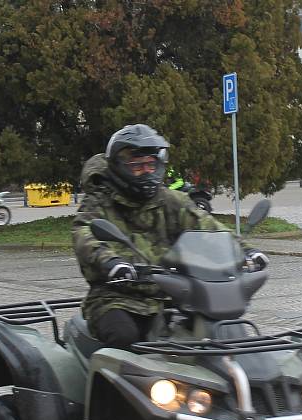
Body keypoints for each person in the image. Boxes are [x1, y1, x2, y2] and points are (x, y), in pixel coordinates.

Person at [72, 124, 268, 349]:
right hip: (115, 298)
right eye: (137, 166)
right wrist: (112, 262)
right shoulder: (99, 204)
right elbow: (84, 233)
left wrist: (246, 251)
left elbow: (208, 226)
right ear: (119, 166)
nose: (145, 171)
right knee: (123, 336)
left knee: (221, 332)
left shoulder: (172, 201)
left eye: (150, 165)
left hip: (174, 295)